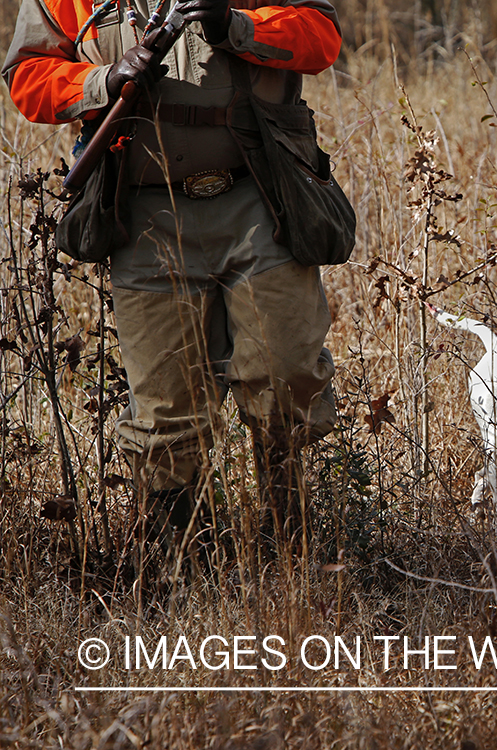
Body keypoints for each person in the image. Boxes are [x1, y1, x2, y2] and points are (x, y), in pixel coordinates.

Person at [4, 0, 343, 558]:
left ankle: (296, 555)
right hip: (142, 216)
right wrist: (103, 79)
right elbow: (28, 77)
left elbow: (321, 37)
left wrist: (237, 26)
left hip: (261, 200)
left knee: (286, 378)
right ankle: (187, 570)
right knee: (165, 416)